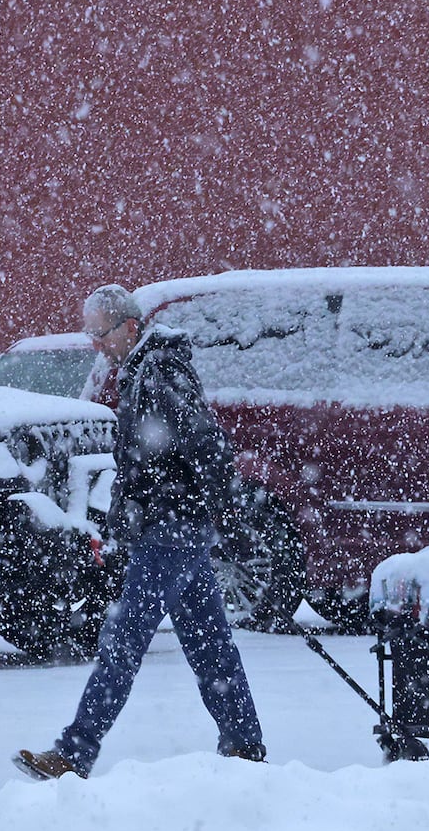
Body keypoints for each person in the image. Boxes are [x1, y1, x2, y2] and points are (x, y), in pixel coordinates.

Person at [14, 285, 266, 780]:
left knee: (122, 645)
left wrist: (227, 507)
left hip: (171, 530)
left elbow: (203, 440)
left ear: (130, 327)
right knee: (210, 644)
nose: (96, 345)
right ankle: (243, 744)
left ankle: (75, 753)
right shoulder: (143, 370)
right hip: (176, 527)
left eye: (101, 333)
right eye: (90, 334)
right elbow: (140, 463)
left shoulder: (159, 371)